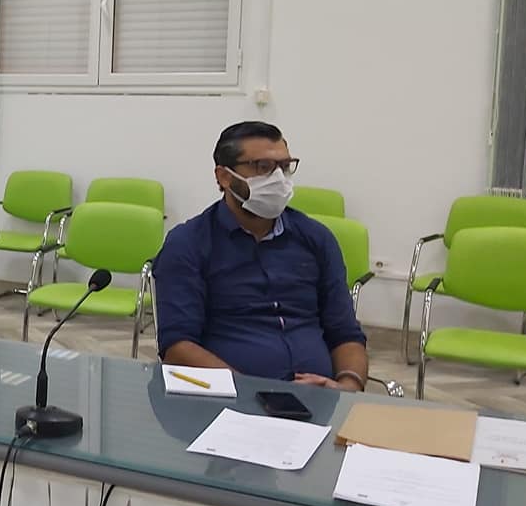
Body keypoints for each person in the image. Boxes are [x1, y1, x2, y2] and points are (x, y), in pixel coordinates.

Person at [152, 121, 369, 391]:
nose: (278, 178)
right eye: (263, 167)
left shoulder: (316, 239)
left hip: (320, 399)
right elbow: (177, 346)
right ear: (224, 177)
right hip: (228, 398)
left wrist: (347, 387)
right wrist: (249, 391)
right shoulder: (189, 243)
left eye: (285, 167)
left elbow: (345, 333)